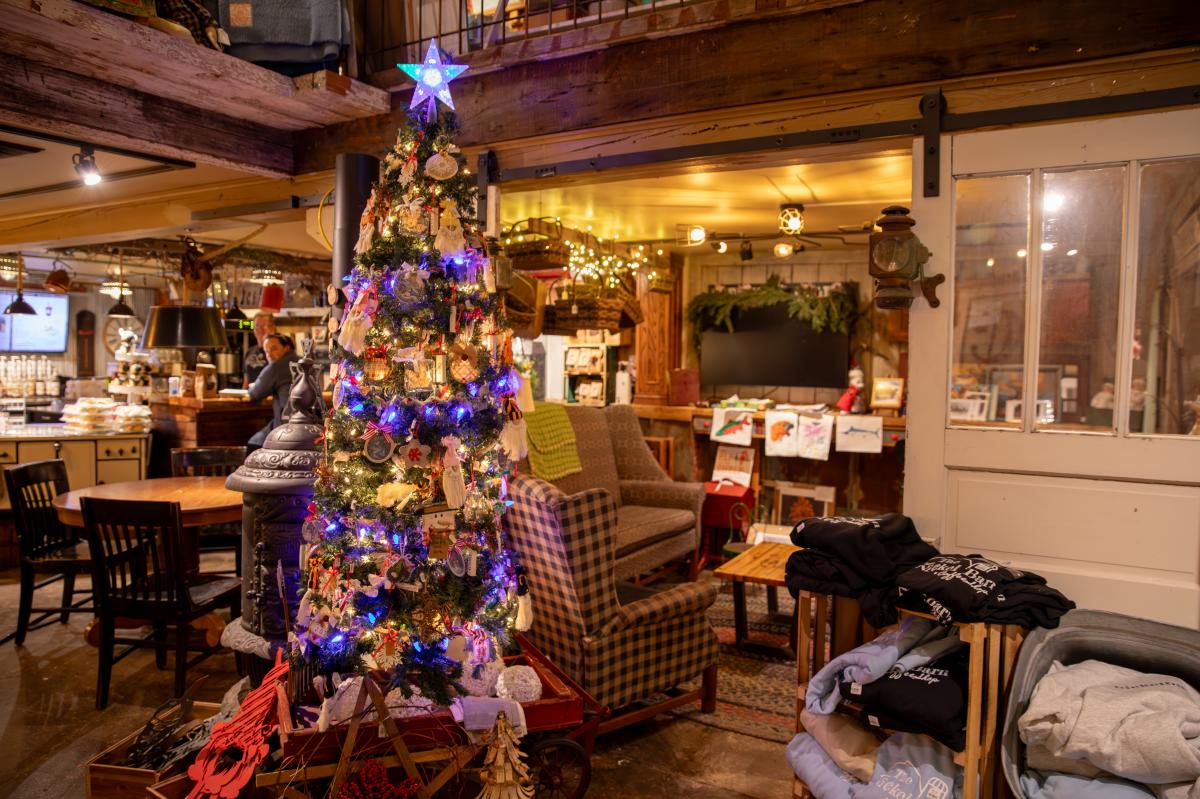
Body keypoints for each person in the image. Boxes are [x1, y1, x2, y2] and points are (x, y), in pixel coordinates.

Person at [247, 333, 298, 448]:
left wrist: (253, 386)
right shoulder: (302, 361)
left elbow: (254, 393)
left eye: (274, 349)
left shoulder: (276, 367)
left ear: (286, 347)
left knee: (253, 443)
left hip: (286, 426)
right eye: (266, 351)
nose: (269, 354)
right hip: (312, 423)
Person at [243, 312, 276, 386]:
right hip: (251, 395)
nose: (260, 329)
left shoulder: (278, 352)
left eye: (264, 325)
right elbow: (246, 382)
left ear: (272, 327)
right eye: (257, 326)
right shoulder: (249, 352)